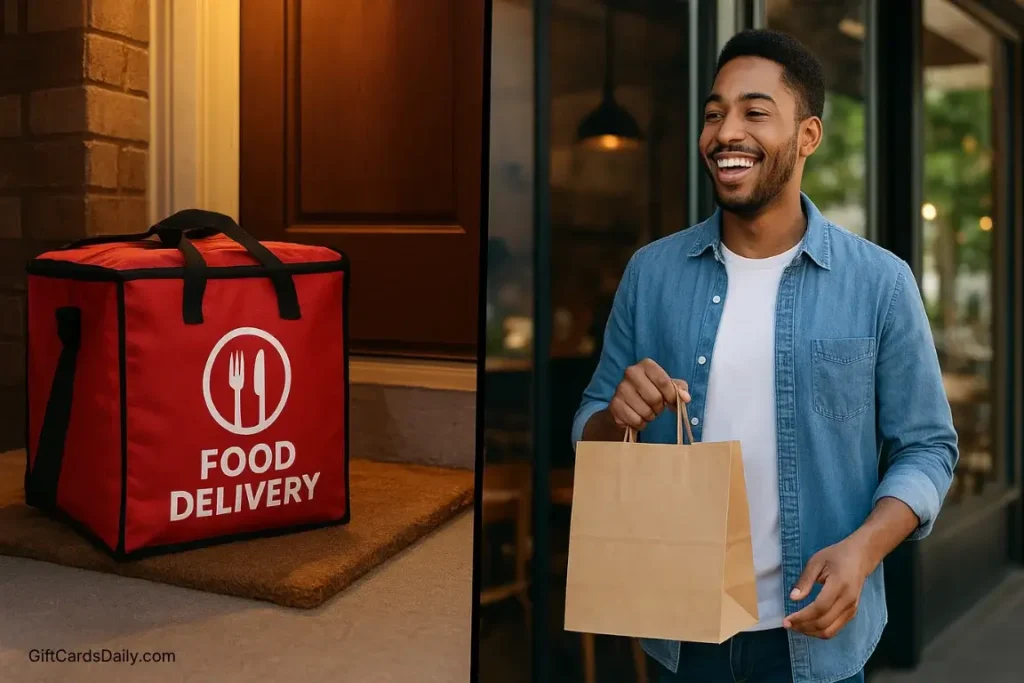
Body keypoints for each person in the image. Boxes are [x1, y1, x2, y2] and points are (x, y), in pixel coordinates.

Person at [571, 28, 958, 683]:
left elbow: (927, 447)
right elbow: (590, 434)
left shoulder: (879, 283)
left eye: (755, 112)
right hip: (681, 630)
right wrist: (617, 414)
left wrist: (864, 552)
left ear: (808, 136)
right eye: (714, 113)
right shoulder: (652, 273)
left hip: (815, 642)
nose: (726, 132)